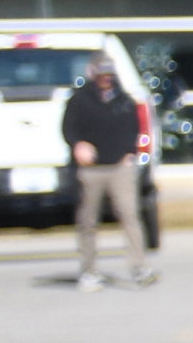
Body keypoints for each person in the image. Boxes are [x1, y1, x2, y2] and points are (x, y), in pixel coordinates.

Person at [64, 52, 152, 287]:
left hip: (120, 168)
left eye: (109, 74)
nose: (106, 78)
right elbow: (68, 129)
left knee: (130, 216)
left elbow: (136, 129)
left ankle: (139, 268)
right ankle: (89, 271)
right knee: (88, 220)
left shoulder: (125, 101)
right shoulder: (79, 100)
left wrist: (130, 153)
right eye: (102, 74)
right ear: (93, 74)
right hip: (91, 170)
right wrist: (78, 145)